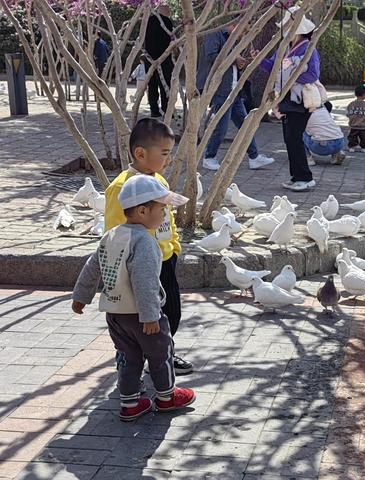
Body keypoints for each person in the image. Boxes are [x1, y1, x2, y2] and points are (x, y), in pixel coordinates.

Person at [72, 175, 196, 422]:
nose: (165, 214)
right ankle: (166, 396)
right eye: (162, 208)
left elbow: (91, 267)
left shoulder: (111, 235)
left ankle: (130, 403)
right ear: (142, 211)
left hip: (115, 314)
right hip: (143, 316)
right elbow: (145, 282)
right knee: (161, 354)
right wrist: (150, 316)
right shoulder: (145, 242)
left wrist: (81, 297)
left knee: (128, 357)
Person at [105, 118, 193, 375]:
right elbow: (114, 232)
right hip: (138, 266)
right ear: (140, 153)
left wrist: (174, 246)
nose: (169, 159)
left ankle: (164, 352)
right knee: (140, 316)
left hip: (164, 259)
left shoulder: (159, 181)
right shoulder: (121, 188)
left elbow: (169, 217)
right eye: (164, 154)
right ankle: (137, 358)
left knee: (170, 313)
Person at [196, 22, 274, 172]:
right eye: (242, 32)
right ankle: (209, 157)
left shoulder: (231, 41)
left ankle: (254, 156)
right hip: (220, 89)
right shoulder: (216, 34)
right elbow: (211, 56)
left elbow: (230, 63)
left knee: (245, 125)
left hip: (234, 90)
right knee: (221, 126)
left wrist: (238, 63)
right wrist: (235, 59)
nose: (242, 37)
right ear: (235, 25)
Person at [258, 7, 320, 192]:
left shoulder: (309, 48)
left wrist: (292, 78)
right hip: (285, 99)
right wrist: (259, 59)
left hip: (300, 100)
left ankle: (305, 177)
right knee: (290, 139)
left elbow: (313, 74)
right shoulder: (285, 49)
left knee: (293, 138)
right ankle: (297, 176)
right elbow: (272, 67)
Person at [145, 5, 174, 117]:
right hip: (164, 58)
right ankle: (166, 109)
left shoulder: (148, 21)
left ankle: (154, 110)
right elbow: (170, 39)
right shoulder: (167, 22)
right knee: (165, 84)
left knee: (152, 85)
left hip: (150, 58)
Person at [346, 85, 365, 152]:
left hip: (353, 125)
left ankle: (352, 147)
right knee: (364, 137)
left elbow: (347, 113)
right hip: (363, 126)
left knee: (352, 137)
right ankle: (364, 147)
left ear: (355, 94)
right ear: (364, 94)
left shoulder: (351, 104)